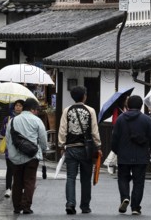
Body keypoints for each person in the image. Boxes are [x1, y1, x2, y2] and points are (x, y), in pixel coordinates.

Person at [111, 95, 151, 216]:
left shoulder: (121, 119)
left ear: (127, 105)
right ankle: (135, 207)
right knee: (138, 182)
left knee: (123, 178)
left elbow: (114, 138)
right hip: (141, 156)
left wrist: (117, 151)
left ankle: (125, 198)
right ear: (141, 106)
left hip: (124, 155)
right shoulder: (146, 119)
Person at [58, 85, 102, 215]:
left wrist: (61, 145)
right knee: (85, 178)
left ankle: (70, 204)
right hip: (86, 149)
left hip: (71, 148)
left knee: (70, 177)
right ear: (84, 96)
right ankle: (85, 206)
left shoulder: (67, 110)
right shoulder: (90, 110)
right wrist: (98, 146)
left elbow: (62, 129)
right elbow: (94, 130)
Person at [7, 97, 47, 215]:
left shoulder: (12, 121)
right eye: (37, 110)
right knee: (29, 181)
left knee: (17, 182)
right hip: (32, 156)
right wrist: (43, 149)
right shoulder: (37, 121)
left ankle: (16, 207)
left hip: (16, 157)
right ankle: (26, 207)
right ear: (33, 109)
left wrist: (12, 154)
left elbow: (8, 139)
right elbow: (43, 139)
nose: (37, 112)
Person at [2, 99, 24, 197]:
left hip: (21, 147)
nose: (18, 107)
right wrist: (6, 127)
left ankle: (19, 188)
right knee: (10, 169)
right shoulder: (7, 119)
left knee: (20, 169)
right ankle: (8, 188)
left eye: (20, 106)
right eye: (16, 105)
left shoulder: (25, 119)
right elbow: (2, 133)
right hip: (9, 147)